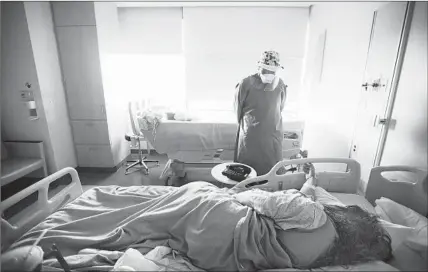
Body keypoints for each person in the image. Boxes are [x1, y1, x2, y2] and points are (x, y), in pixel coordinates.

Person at [234, 50, 287, 176]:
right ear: (259, 67)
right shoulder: (245, 83)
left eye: (272, 71)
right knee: (247, 173)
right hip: (251, 136)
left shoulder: (280, 85)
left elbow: (280, 108)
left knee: (271, 174)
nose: (269, 74)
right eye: (266, 69)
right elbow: (238, 109)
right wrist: (250, 126)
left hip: (272, 135)